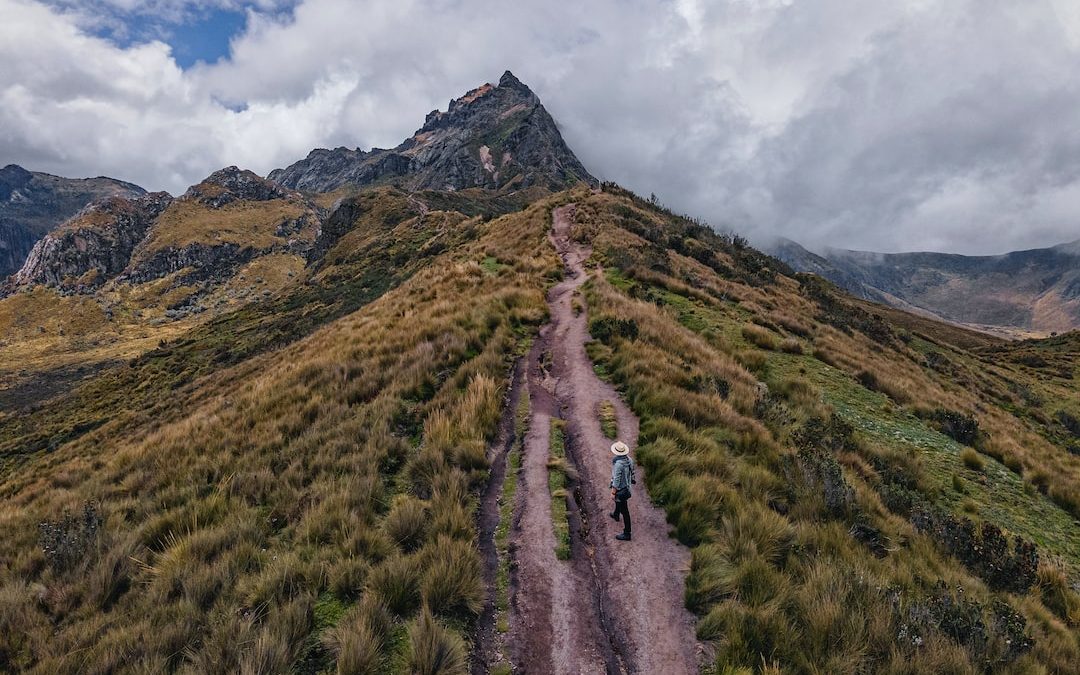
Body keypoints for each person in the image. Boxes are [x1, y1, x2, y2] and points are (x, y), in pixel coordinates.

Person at [609, 440, 636, 541]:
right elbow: (632, 472)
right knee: (619, 502)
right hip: (627, 488)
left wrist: (613, 492)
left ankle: (627, 533)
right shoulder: (629, 460)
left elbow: (616, 480)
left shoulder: (618, 464)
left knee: (625, 512)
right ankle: (616, 514)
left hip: (621, 490)